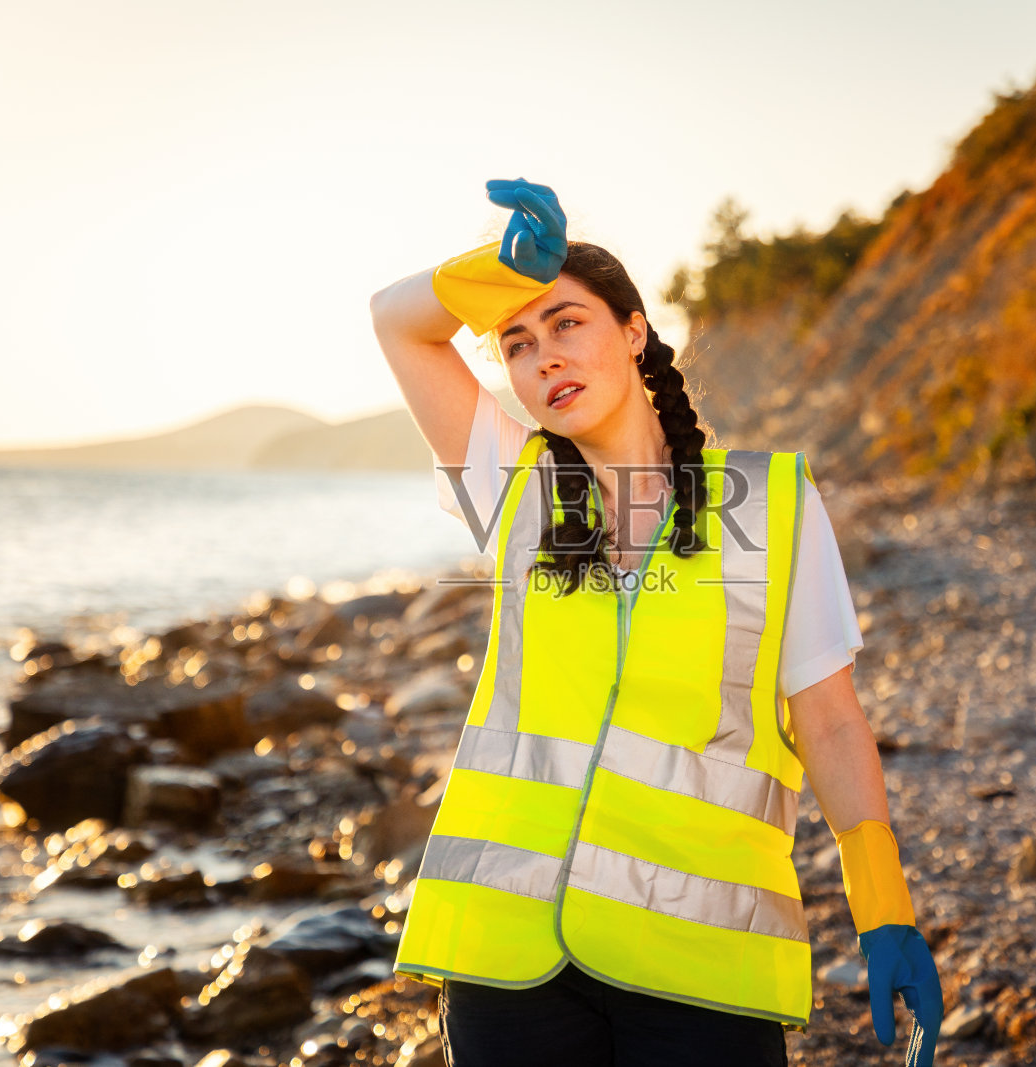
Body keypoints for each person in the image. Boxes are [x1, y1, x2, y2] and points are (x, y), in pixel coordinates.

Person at [368, 178, 943, 1067]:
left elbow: (829, 720)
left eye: (567, 323)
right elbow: (397, 320)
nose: (545, 357)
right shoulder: (516, 491)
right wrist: (497, 269)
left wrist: (885, 908)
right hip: (509, 952)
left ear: (634, 332)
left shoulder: (773, 505)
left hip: (700, 961)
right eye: (518, 345)